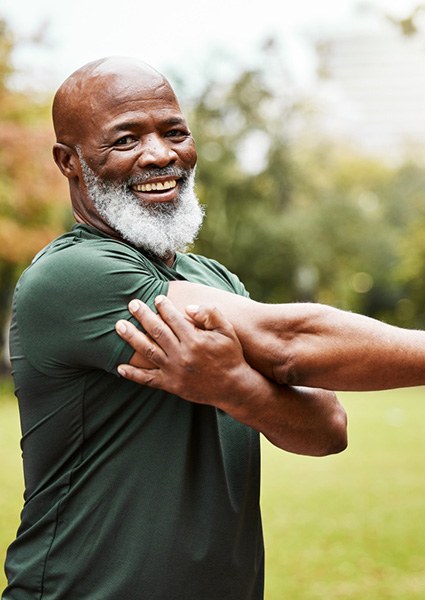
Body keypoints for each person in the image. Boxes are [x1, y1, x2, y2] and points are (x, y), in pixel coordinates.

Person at [3, 55, 425, 599]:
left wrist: (234, 386)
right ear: (69, 161)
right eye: (125, 140)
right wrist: (248, 376)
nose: (160, 155)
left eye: (174, 132)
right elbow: (288, 341)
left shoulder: (213, 279)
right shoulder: (72, 275)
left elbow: (327, 430)